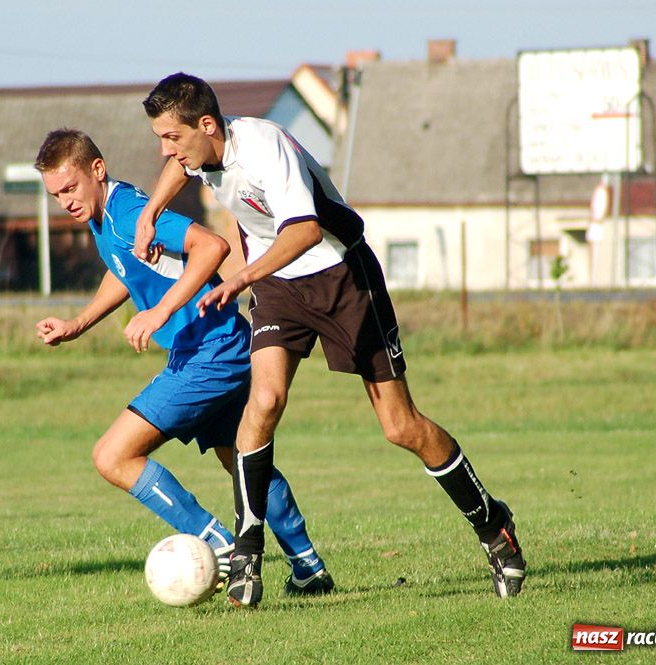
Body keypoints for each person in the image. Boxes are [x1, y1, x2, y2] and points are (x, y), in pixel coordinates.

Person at [134, 73, 526, 607]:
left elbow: (306, 230)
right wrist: (152, 212)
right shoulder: (198, 150)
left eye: (171, 136)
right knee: (264, 400)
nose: (166, 149)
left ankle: (493, 525)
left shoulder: (265, 149)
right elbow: (179, 166)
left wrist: (242, 277)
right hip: (278, 283)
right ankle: (248, 556)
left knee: (399, 425)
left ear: (207, 125)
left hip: (342, 276)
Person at [32, 128, 334, 597]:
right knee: (240, 457)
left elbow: (212, 247)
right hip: (218, 345)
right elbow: (125, 271)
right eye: (56, 195)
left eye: (70, 188)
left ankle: (221, 546)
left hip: (209, 351)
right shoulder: (106, 217)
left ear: (97, 170)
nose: (65, 201)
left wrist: (160, 311)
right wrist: (78, 323)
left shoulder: (127, 211)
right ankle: (307, 565)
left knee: (113, 456)